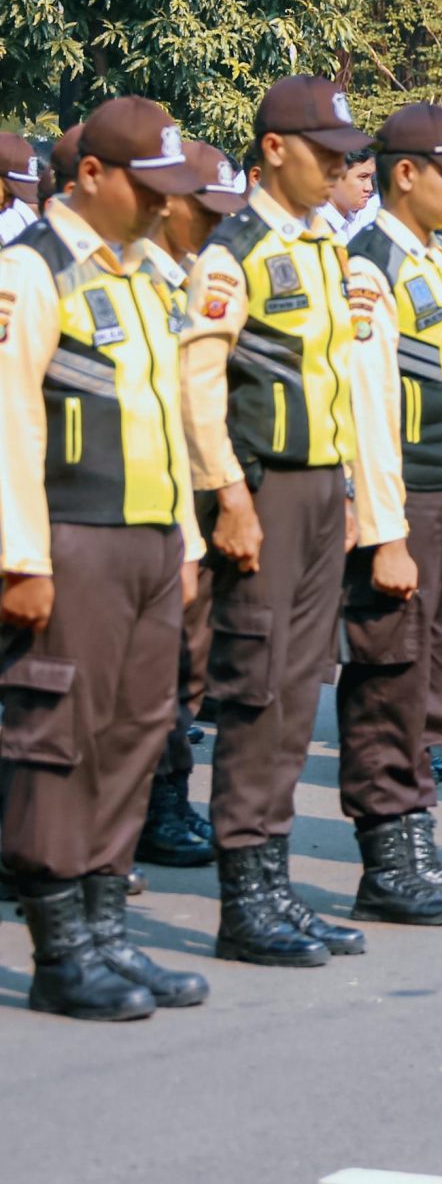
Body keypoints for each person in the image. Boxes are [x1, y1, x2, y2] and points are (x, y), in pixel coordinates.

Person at [182, 75, 404, 968]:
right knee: (257, 687)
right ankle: (246, 896)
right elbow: (200, 384)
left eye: (348, 156)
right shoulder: (232, 253)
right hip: (262, 491)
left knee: (299, 690)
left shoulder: (324, 248)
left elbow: (341, 381)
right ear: (274, 150)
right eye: (326, 154)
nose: (339, 169)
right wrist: (229, 496)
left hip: (318, 496)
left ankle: (275, 884)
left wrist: (349, 490)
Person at [0, 98, 212, 1019]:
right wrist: (21, 556)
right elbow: (8, 421)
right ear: (91, 175)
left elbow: (168, 421)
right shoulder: (32, 270)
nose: (166, 204)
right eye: (148, 186)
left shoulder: (145, 275)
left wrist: (186, 542)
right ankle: (61, 951)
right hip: (71, 538)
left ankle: (107, 930)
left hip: (150, 540)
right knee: (60, 740)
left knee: (134, 734)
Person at [338, 106, 442, 926]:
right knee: (389, 679)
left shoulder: (441, 258)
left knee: (435, 679)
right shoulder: (370, 264)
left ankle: (419, 846)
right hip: (401, 500)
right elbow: (366, 408)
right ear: (405, 172)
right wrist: (385, 529)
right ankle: (387, 862)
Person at [134, 144, 248, 871]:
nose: (216, 226)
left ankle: (162, 800)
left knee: (185, 663)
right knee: (152, 668)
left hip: (192, 494)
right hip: (139, 500)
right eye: (207, 211)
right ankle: (153, 806)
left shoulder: (185, 275)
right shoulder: (134, 276)